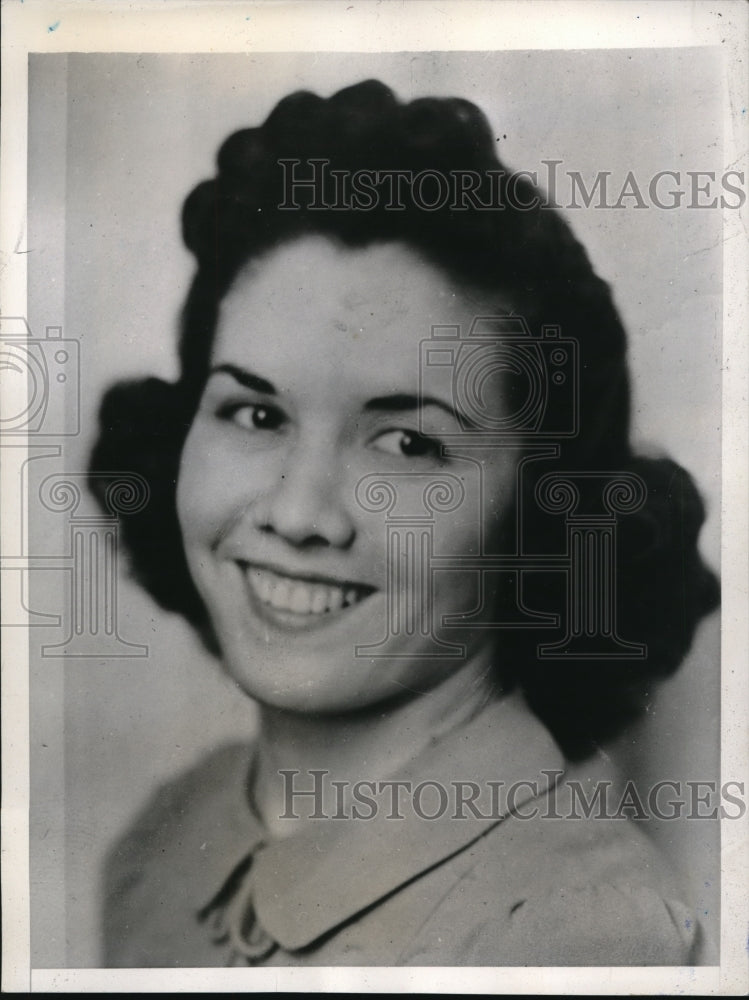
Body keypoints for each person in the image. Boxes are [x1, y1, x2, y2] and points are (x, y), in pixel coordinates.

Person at [89, 79, 719, 967]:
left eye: (406, 443)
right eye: (256, 415)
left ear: (543, 510)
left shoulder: (573, 932)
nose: (299, 513)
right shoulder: (162, 841)